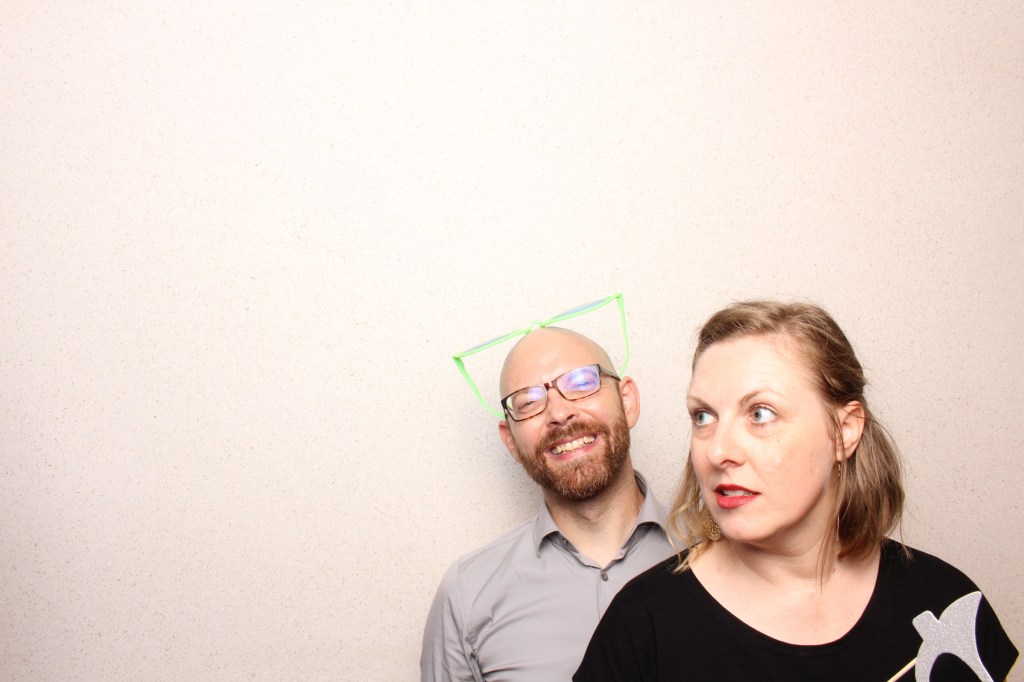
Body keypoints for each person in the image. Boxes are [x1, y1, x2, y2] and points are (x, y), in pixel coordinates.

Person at [575, 300, 1018, 681]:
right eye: (703, 417)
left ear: (845, 431)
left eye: (760, 413)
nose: (719, 451)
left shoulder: (943, 603)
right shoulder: (642, 625)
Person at [421, 326, 675, 681]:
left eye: (581, 383)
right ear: (511, 442)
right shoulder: (467, 594)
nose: (559, 413)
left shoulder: (719, 547)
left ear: (627, 401)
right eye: (528, 403)